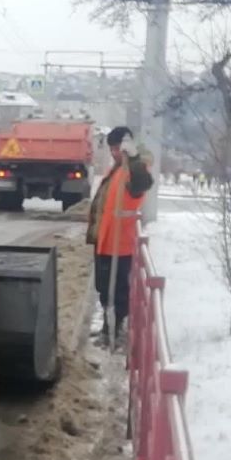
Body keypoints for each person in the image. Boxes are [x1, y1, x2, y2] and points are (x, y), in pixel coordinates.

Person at [86, 126, 154, 344]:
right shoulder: (116, 169)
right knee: (104, 289)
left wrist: (133, 158)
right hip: (106, 240)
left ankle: (115, 331)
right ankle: (108, 327)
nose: (114, 152)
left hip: (120, 243)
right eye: (112, 148)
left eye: (117, 148)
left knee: (117, 292)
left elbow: (143, 184)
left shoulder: (135, 168)